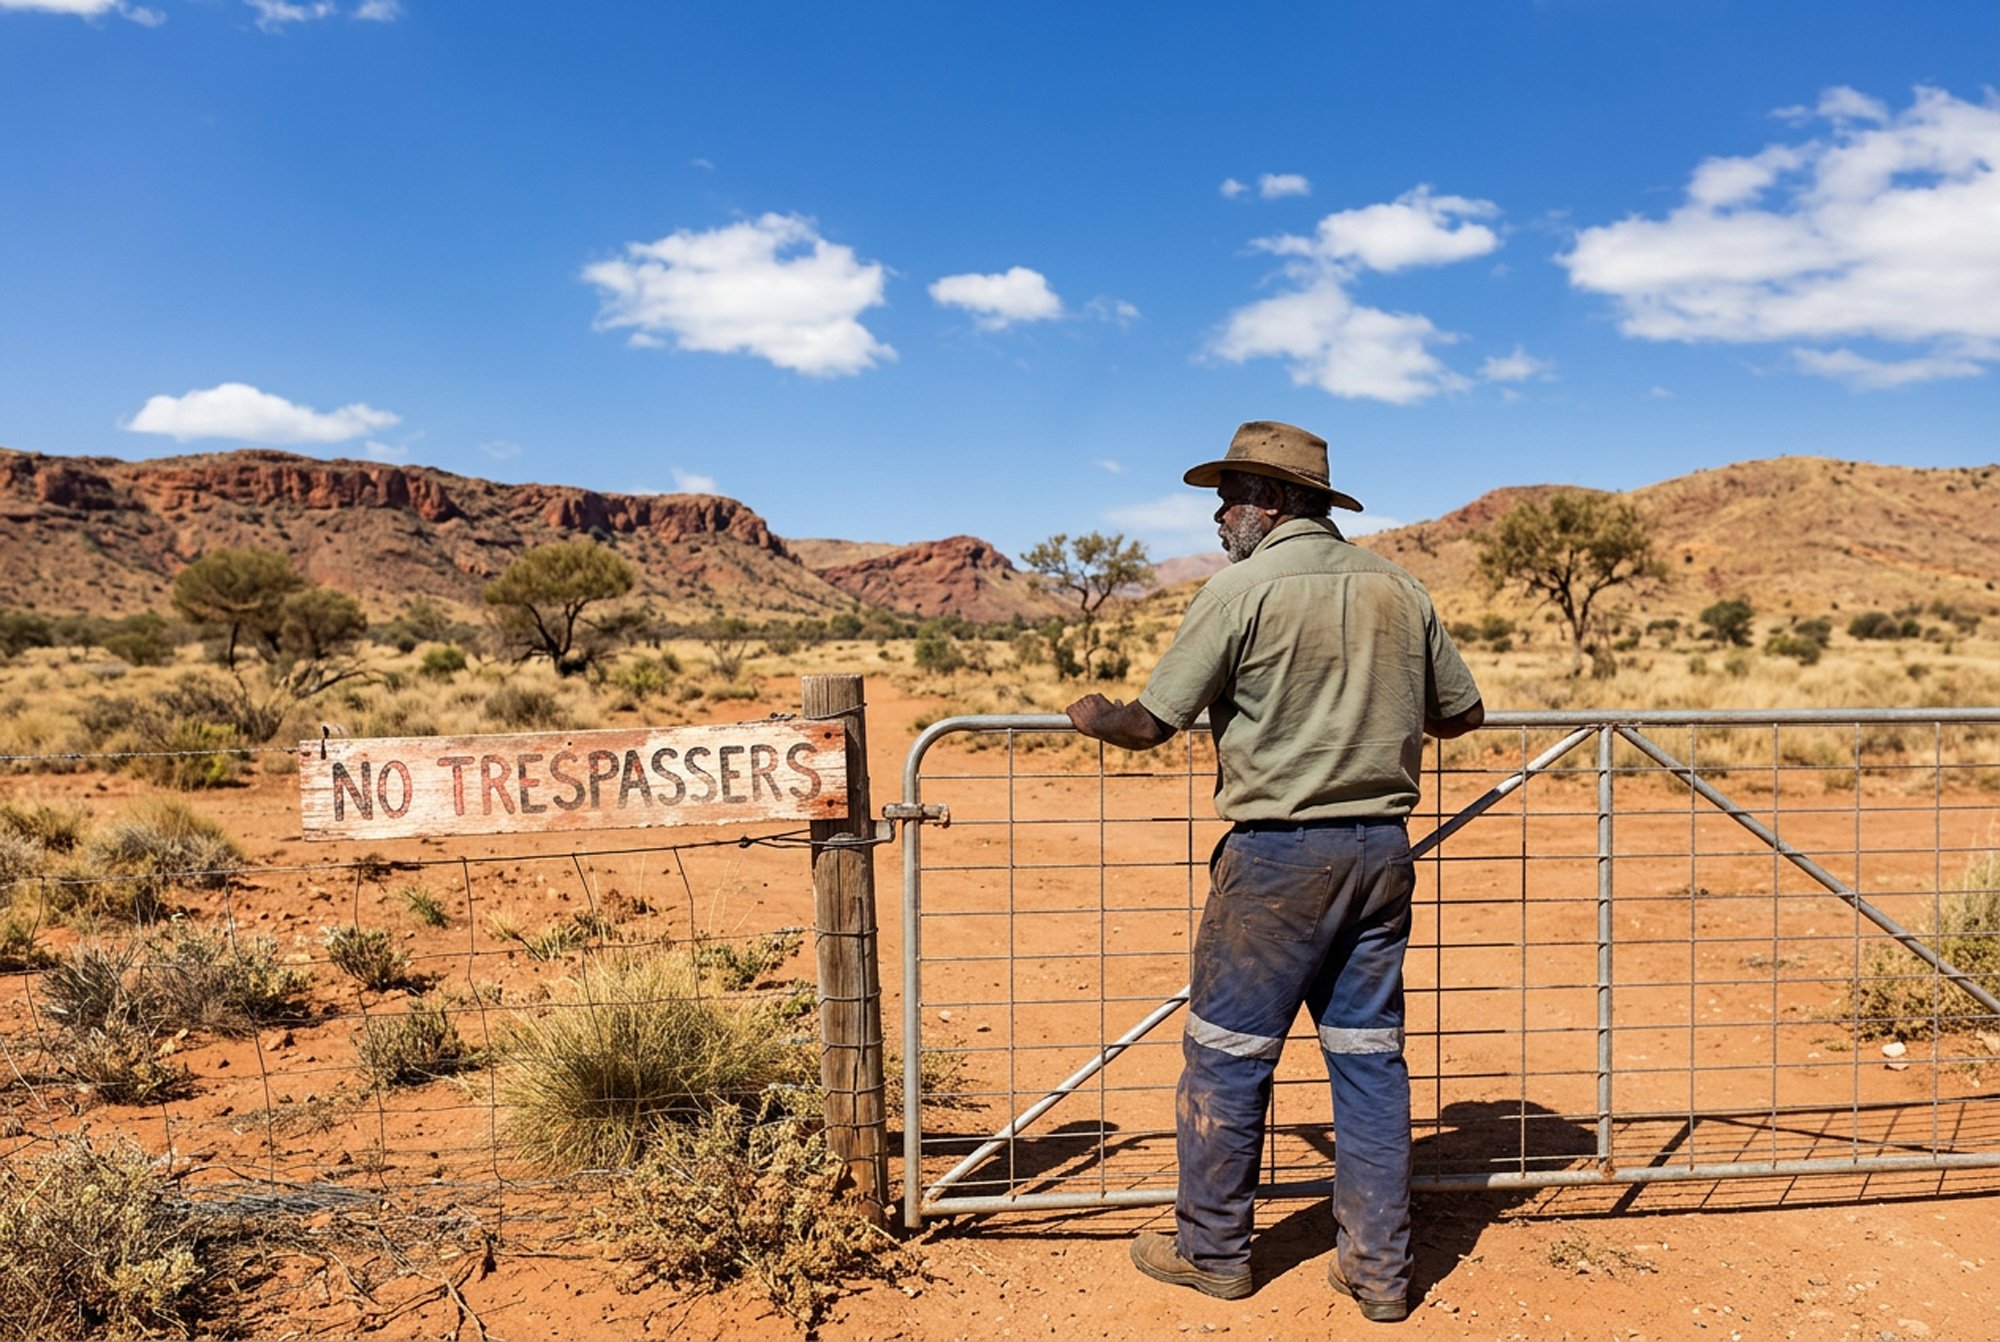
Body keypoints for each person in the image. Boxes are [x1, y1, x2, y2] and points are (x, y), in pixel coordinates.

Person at [1065, 420, 1484, 1324]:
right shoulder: (1400, 588)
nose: (1218, 516)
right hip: (1379, 853)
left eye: (1229, 497)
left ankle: (1210, 1250)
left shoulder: (1240, 591)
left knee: (1228, 1054)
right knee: (1369, 1059)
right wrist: (1368, 711)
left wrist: (1095, 715)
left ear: (1277, 502)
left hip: (1276, 861)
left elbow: (1151, 723)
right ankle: (1378, 1271)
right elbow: (1464, 713)